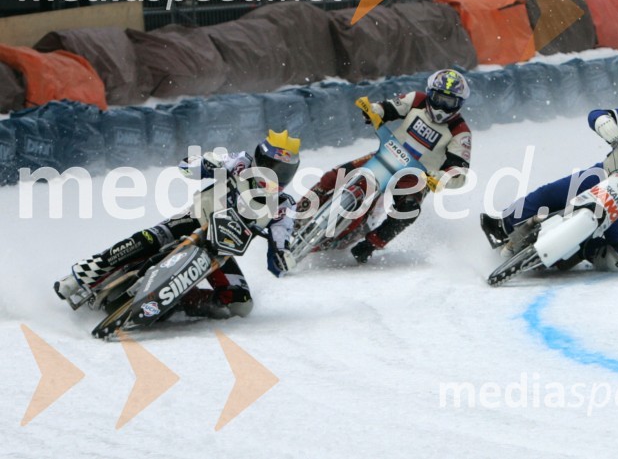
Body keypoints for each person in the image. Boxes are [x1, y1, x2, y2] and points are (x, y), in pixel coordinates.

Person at [54, 130, 301, 319]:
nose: (276, 176)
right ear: (258, 159)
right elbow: (186, 166)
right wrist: (205, 163)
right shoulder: (239, 162)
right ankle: (80, 276)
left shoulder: (283, 205)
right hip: (194, 220)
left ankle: (178, 305)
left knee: (241, 305)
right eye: (272, 168)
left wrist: (282, 256)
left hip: (220, 252)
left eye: (283, 172)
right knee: (150, 239)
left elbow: (281, 243)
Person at [481, 94, 618, 272]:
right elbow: (599, 114)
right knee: (549, 194)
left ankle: (585, 248)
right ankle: (503, 224)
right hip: (600, 175)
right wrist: (602, 121)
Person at [297, 69, 473, 264]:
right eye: (439, 99)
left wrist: (441, 178)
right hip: (387, 154)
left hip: (418, 176)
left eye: (449, 103)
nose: (442, 108)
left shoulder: (461, 133)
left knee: (409, 210)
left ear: (459, 104)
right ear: (430, 93)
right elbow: (389, 107)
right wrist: (373, 110)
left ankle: (371, 244)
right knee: (334, 176)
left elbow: (460, 173)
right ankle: (301, 212)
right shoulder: (416, 99)